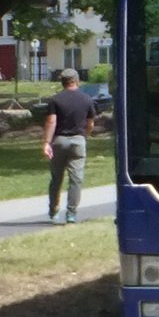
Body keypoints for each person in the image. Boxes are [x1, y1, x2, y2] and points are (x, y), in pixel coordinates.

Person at [42, 68, 96, 224]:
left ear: (62, 82)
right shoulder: (86, 99)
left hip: (59, 141)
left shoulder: (55, 100)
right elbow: (90, 123)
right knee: (76, 179)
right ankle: (71, 213)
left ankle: (53, 211)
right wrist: (84, 135)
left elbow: (51, 122)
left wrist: (46, 142)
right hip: (78, 141)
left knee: (56, 178)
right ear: (77, 80)